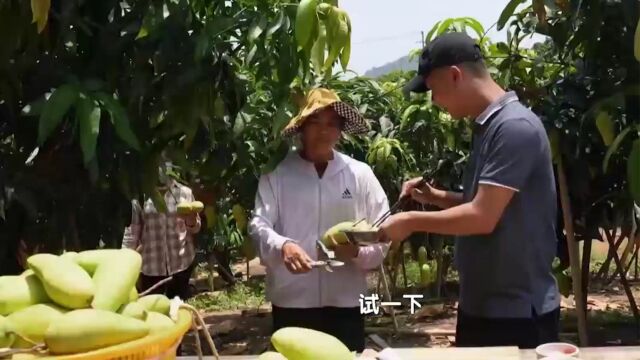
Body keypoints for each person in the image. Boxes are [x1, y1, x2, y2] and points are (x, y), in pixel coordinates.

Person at [378, 32, 561, 349]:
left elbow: (482, 217)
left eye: (434, 90)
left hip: (515, 313)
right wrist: (436, 198)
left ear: (454, 75)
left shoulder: (514, 127)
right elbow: (494, 206)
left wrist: (410, 221)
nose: (434, 101)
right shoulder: (488, 127)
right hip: (485, 304)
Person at [248, 88, 390, 352]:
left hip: (346, 301)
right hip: (292, 301)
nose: (324, 131)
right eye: (315, 122)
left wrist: (359, 253)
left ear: (341, 130)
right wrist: (284, 246)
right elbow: (259, 225)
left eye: (332, 124)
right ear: (301, 127)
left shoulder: (359, 174)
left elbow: (383, 232)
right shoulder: (277, 174)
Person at [122, 162, 201, 300]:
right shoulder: (141, 197)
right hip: (151, 266)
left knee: (180, 312)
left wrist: (192, 220)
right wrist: (124, 260)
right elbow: (132, 232)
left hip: (181, 263)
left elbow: (195, 228)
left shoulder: (184, 193)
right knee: (154, 313)